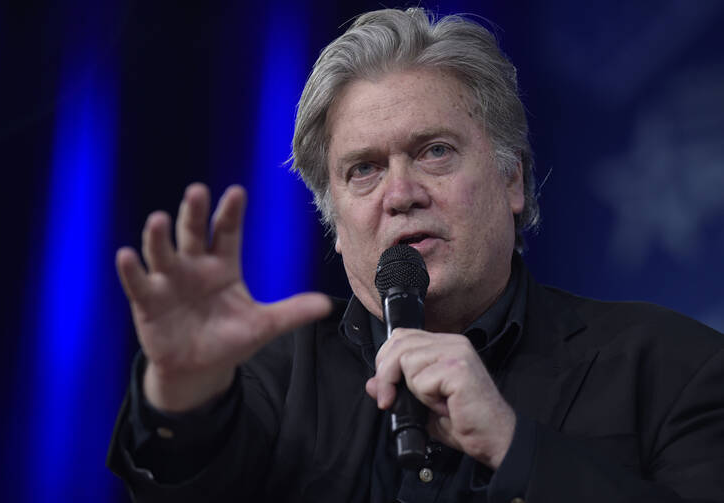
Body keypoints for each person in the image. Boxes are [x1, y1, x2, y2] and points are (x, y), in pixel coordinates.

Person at [107, 8, 724, 502]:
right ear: (336, 224)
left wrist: (516, 449)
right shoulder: (262, 382)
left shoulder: (673, 367)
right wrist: (182, 393)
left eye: (434, 152)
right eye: (365, 170)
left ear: (512, 179)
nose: (401, 195)